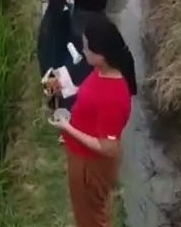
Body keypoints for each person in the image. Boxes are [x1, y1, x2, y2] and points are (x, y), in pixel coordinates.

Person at [49, 13, 136, 227]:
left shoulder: (113, 99)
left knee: (91, 220)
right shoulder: (102, 71)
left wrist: (67, 127)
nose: (83, 50)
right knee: (90, 212)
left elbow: (109, 148)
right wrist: (70, 89)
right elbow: (92, 95)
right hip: (82, 157)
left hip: (91, 166)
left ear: (102, 55)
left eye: (87, 48)